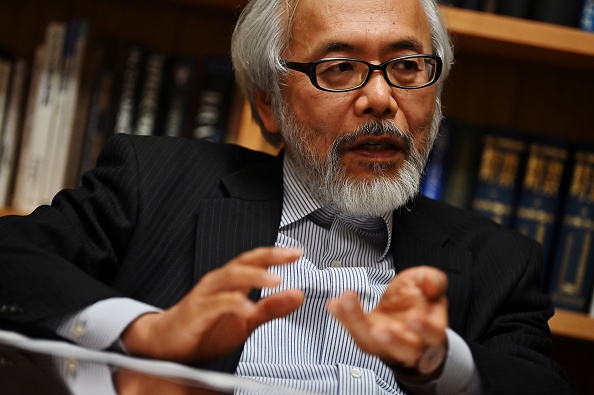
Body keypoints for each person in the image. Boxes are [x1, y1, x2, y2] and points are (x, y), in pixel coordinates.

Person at [0, 0, 574, 394]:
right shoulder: (158, 184)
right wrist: (147, 335)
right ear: (269, 102)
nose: (380, 97)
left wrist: (439, 361)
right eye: (340, 67)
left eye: (406, 66)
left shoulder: (498, 258)